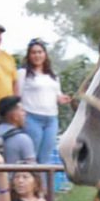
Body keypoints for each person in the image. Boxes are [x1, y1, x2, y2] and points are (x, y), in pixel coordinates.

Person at [16, 39, 71, 189]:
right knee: (32, 158)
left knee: (46, 158)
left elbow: (57, 96)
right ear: (29, 55)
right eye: (33, 52)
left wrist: (64, 99)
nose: (37, 55)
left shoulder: (53, 76)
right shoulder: (23, 74)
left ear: (45, 55)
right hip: (32, 117)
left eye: (40, 52)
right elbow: (17, 97)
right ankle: (31, 190)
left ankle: (45, 192)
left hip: (51, 118)